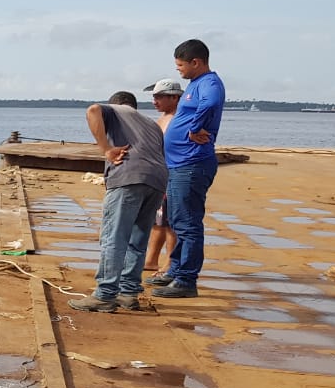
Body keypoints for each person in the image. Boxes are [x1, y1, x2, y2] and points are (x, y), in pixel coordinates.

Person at [67, 91, 168, 313]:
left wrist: (106, 150)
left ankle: (105, 295)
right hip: (157, 180)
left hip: (129, 177)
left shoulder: (116, 110)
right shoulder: (151, 124)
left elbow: (92, 110)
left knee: (114, 237)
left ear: (117, 105)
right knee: (137, 239)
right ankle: (129, 294)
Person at [148, 39, 225, 299]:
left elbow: (211, 104)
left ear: (196, 62)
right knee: (179, 221)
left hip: (191, 164)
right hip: (178, 164)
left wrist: (194, 129)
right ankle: (176, 270)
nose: (178, 70)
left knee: (188, 223)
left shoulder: (210, 83)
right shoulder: (195, 84)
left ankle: (186, 280)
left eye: (181, 65)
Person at [142, 79, 183, 275]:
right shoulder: (163, 118)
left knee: (171, 223)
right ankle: (151, 259)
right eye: (154, 97)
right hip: (160, 174)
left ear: (174, 97)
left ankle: (170, 263)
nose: (154, 101)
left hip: (173, 174)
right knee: (158, 220)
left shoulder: (179, 118)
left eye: (159, 97)